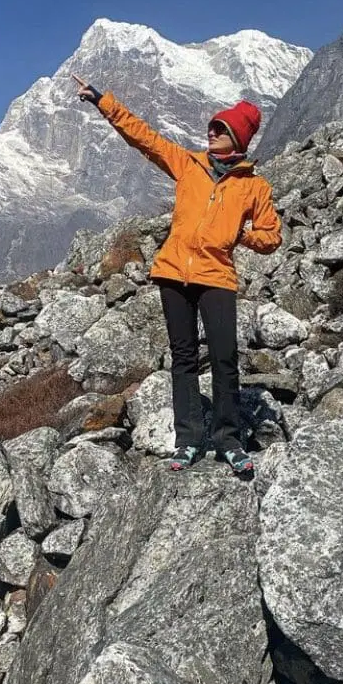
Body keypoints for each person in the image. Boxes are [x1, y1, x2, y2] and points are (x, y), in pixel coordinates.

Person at [72, 73, 282, 474]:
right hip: (173, 273)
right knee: (183, 358)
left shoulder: (254, 187)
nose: (211, 132)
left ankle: (228, 440)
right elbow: (145, 138)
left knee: (224, 357)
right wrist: (103, 101)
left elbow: (272, 235)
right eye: (212, 126)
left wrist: (241, 235)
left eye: (220, 129)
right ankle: (187, 441)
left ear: (237, 139)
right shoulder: (188, 164)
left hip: (216, 275)